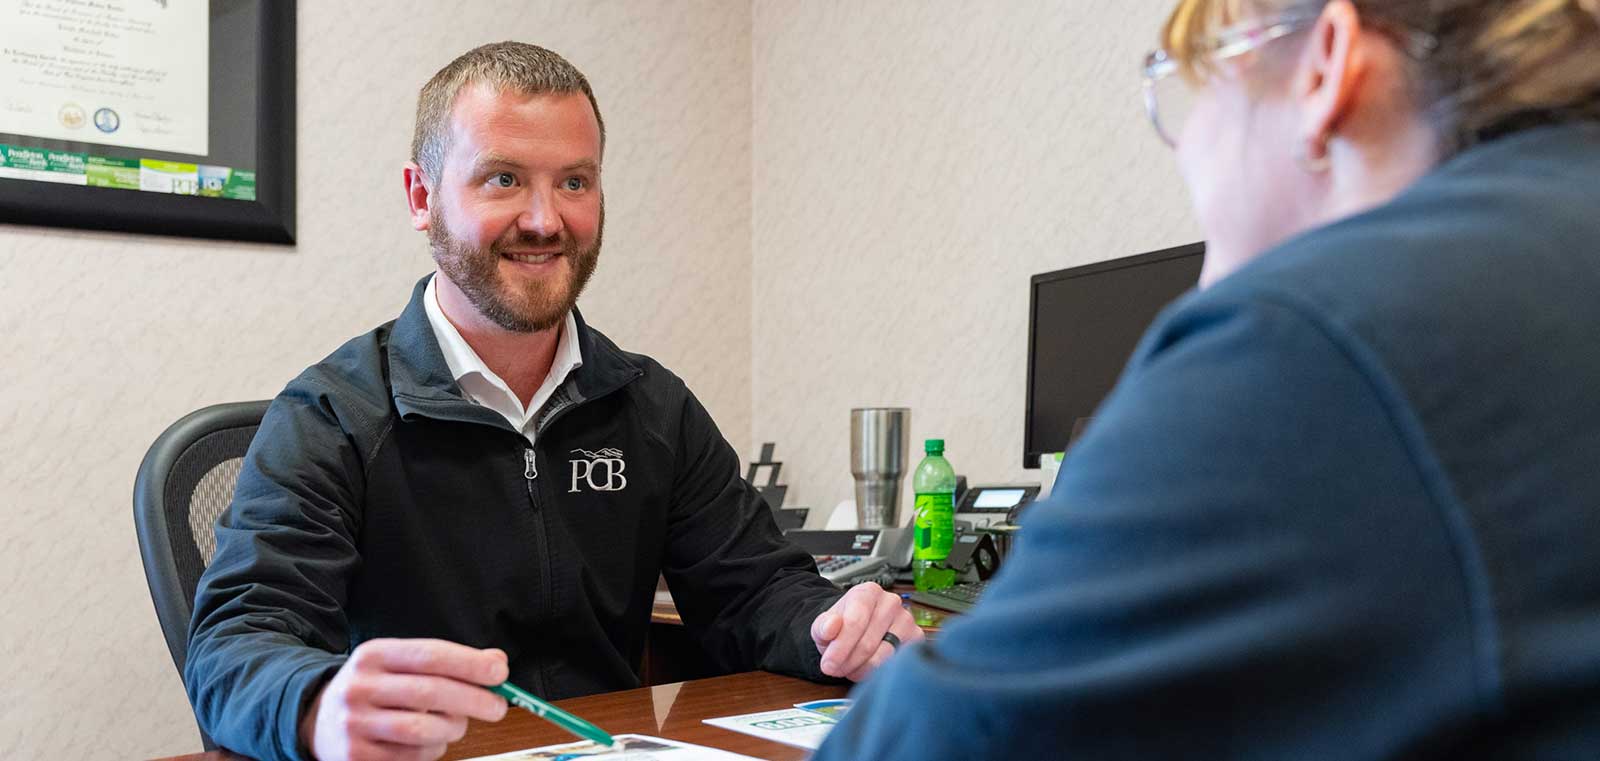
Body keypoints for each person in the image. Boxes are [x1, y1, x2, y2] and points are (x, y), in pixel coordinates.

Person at [814, 0, 1600, 758]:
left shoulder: (1307, 332)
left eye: (1196, 86)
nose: (1186, 148)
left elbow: (919, 742)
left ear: (1326, 67)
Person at [185, 42, 920, 761]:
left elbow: (754, 591)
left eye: (574, 182)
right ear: (421, 196)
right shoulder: (332, 414)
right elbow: (235, 643)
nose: (545, 220)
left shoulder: (652, 406)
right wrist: (317, 704)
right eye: (503, 178)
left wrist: (835, 623)